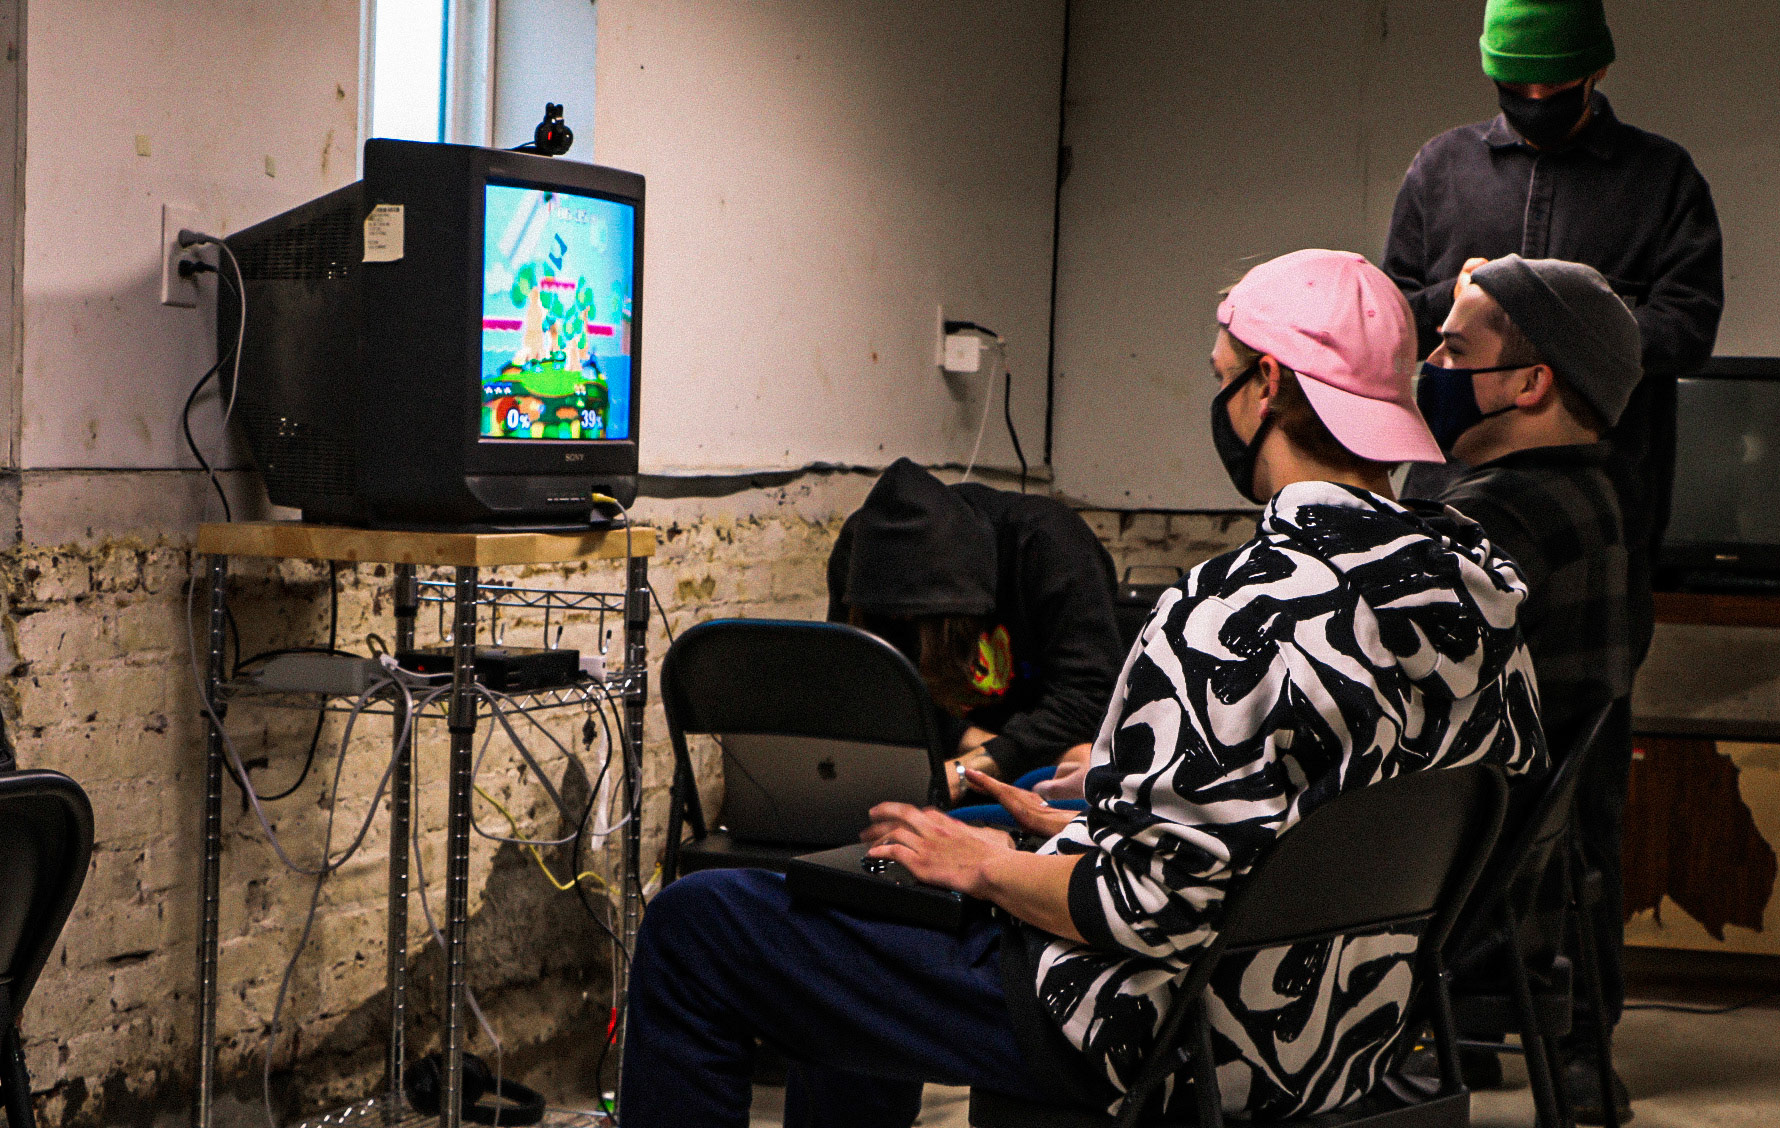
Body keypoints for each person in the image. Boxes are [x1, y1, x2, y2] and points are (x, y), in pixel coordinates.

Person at [620, 249, 1545, 1128]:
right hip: (1355, 1029)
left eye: (1221, 377)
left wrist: (984, 864)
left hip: (1162, 1032)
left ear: (1266, 385)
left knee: (701, 924)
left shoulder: (1229, 611)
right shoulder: (1482, 592)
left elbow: (1148, 908)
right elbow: (1327, 829)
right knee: (876, 892)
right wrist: (1075, 826)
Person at [1383, 0, 1723, 673]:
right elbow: (1390, 327)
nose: (1536, 97)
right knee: (1436, 697)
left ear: (1597, 70)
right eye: (1518, 85)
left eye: (1556, 85)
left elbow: (1689, 330)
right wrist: (1455, 298)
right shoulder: (1441, 170)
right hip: (1451, 495)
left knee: (1583, 710)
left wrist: (1567, 317)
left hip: (1598, 514)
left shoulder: (1660, 178)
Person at [1417, 255, 1642, 1119]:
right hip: (1523, 891)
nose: (1430, 367)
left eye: (1453, 350)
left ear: (1531, 384)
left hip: (1444, 895)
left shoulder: (1491, 520)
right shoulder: (1591, 494)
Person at [827, 458, 1122, 799]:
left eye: (916, 616)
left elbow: (1092, 696)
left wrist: (970, 770)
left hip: (1050, 757)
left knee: (1080, 760)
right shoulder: (863, 548)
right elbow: (862, 685)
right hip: (967, 752)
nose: (902, 623)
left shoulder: (1048, 544)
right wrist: (972, 748)